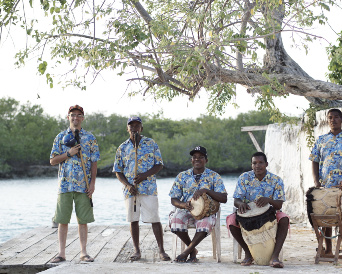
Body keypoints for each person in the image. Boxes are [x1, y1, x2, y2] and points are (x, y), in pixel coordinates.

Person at [113, 116, 170, 261]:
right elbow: (118, 171)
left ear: (141, 128)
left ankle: (162, 250)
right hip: (130, 190)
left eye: (137, 125)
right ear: (127, 129)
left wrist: (144, 175)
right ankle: (137, 250)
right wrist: (128, 185)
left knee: (155, 219)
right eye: (131, 125)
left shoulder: (151, 143)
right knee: (133, 220)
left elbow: (159, 164)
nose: (134, 128)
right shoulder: (122, 147)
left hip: (149, 188)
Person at [309, 108, 342, 254]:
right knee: (326, 217)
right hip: (326, 187)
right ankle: (328, 249)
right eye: (330, 117)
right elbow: (314, 161)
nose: (333, 120)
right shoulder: (321, 140)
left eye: (336, 117)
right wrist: (316, 182)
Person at [50, 105, 100, 263]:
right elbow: (52, 160)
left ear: (83, 118)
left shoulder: (90, 138)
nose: (75, 118)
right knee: (62, 220)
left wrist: (92, 184)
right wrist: (68, 154)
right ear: (68, 117)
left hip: (83, 185)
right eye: (73, 115)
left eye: (79, 115)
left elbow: (94, 163)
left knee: (82, 220)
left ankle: (84, 253)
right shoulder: (60, 137)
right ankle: (61, 253)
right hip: (64, 185)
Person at [227, 152, 289, 268]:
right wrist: (241, 204)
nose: (257, 165)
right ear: (251, 165)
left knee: (284, 219)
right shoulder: (244, 178)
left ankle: (274, 257)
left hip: (270, 213)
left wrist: (268, 200)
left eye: (260, 162)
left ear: (266, 164)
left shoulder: (276, 180)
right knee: (231, 220)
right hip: (248, 213)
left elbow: (279, 205)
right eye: (254, 163)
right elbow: (236, 200)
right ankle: (248, 253)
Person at [169, 146, 227, 263]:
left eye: (201, 157)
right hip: (186, 210)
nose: (197, 159)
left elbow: (224, 198)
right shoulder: (182, 176)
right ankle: (192, 251)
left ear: (206, 160)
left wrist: (206, 190)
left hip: (206, 212)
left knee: (205, 223)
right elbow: (173, 199)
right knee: (175, 220)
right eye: (194, 157)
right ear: (191, 160)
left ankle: (186, 251)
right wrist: (183, 205)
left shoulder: (214, 176)